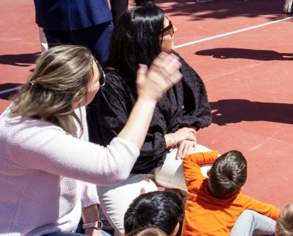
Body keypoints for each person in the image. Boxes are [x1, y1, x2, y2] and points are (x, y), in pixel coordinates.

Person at [0, 45, 183, 236]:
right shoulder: (26, 133)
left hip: (61, 223)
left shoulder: (66, 104)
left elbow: (81, 154)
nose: (102, 83)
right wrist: (147, 98)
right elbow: (113, 166)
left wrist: (91, 218)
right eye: (100, 80)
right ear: (78, 94)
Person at [87, 3, 212, 232]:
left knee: (216, 179)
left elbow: (197, 98)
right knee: (147, 229)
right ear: (149, 38)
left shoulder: (168, 60)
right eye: (168, 29)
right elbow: (116, 150)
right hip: (124, 172)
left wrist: (187, 131)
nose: (175, 32)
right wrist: (171, 139)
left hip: (163, 154)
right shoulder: (111, 85)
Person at [182, 149, 281, 236]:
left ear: (209, 172)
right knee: (250, 215)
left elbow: (189, 159)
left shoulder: (196, 184)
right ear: (239, 188)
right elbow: (273, 212)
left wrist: (216, 156)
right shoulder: (241, 201)